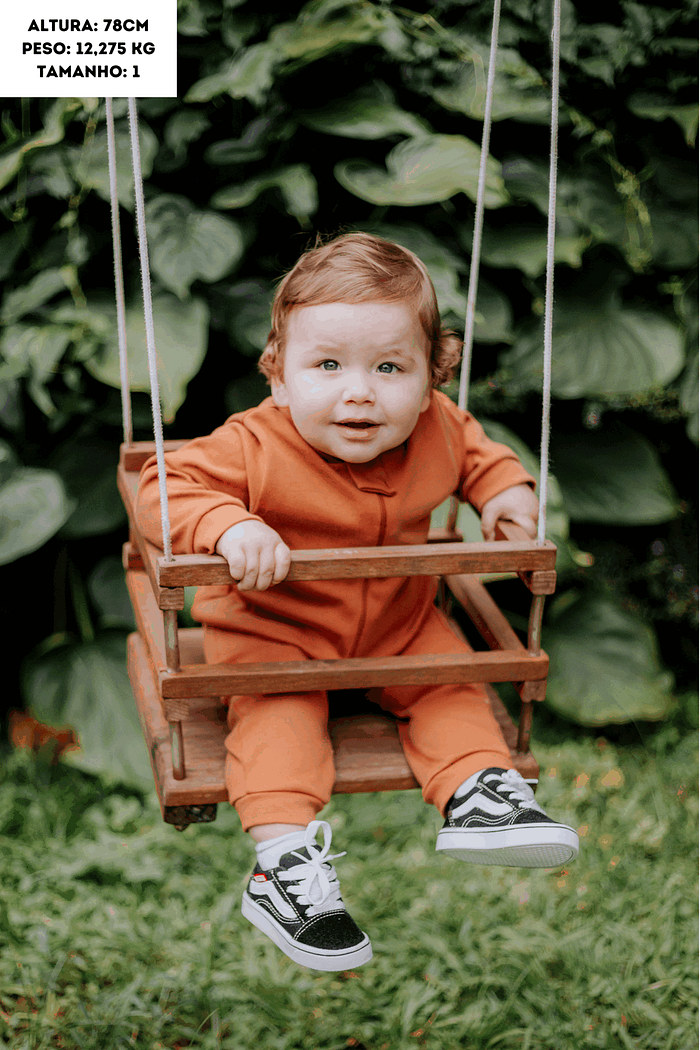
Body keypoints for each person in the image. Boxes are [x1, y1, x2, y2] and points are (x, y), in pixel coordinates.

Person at [136, 232, 579, 972]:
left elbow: (482, 455)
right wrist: (229, 523)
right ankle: (282, 868)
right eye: (328, 365)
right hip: (276, 634)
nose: (359, 391)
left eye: (389, 367)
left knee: (450, 684)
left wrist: (507, 495)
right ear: (278, 375)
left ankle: (480, 794)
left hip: (401, 626)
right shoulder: (253, 444)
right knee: (278, 725)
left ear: (435, 375)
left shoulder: (441, 425)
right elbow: (161, 487)